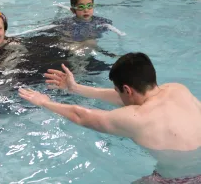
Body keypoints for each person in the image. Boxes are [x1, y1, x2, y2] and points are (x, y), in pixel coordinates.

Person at [19, 52, 201, 183]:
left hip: (180, 180)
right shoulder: (177, 89)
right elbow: (127, 99)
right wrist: (76, 88)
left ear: (127, 90)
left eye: (118, 90)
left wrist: (44, 102)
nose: (118, 95)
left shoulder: (136, 118)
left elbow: (80, 115)